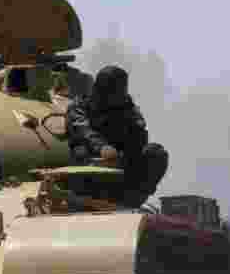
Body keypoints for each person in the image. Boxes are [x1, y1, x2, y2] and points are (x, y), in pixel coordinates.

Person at [66, 65, 168, 207]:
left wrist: (126, 151)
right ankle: (87, 198)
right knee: (80, 152)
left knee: (156, 153)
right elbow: (82, 129)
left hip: (121, 164)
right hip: (90, 163)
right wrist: (102, 147)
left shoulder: (127, 107)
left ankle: (132, 198)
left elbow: (139, 134)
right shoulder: (80, 105)